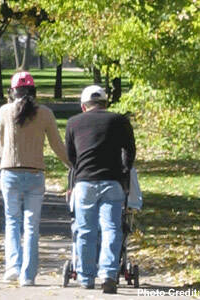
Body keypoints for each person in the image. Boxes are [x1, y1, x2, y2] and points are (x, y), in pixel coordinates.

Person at [0, 71, 70, 286]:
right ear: (33, 91)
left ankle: (12, 267)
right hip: (35, 172)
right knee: (31, 226)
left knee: (12, 220)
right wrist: (72, 167)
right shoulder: (45, 113)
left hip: (10, 171)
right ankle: (28, 275)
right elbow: (57, 145)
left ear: (12, 91)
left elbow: (1, 141)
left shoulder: (4, 111)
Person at [65, 85, 135, 293]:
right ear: (106, 104)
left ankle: (86, 277)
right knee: (111, 228)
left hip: (85, 181)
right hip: (112, 181)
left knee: (85, 230)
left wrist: (80, 169)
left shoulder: (73, 123)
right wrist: (125, 170)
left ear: (83, 106)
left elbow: (71, 156)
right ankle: (108, 274)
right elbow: (130, 150)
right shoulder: (119, 120)